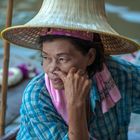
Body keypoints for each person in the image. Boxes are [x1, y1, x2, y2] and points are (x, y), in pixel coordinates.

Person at [1, 0, 140, 139]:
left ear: (90, 56)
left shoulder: (116, 73)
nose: (51, 69)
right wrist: (75, 104)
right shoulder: (36, 97)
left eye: (62, 59)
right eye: (46, 57)